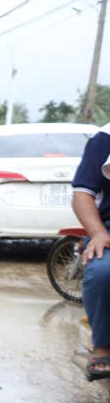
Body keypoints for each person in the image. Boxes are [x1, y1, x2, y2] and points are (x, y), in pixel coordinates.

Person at [71, 123, 110, 380]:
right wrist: (97, 232)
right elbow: (83, 193)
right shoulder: (105, 139)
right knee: (102, 272)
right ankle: (103, 345)